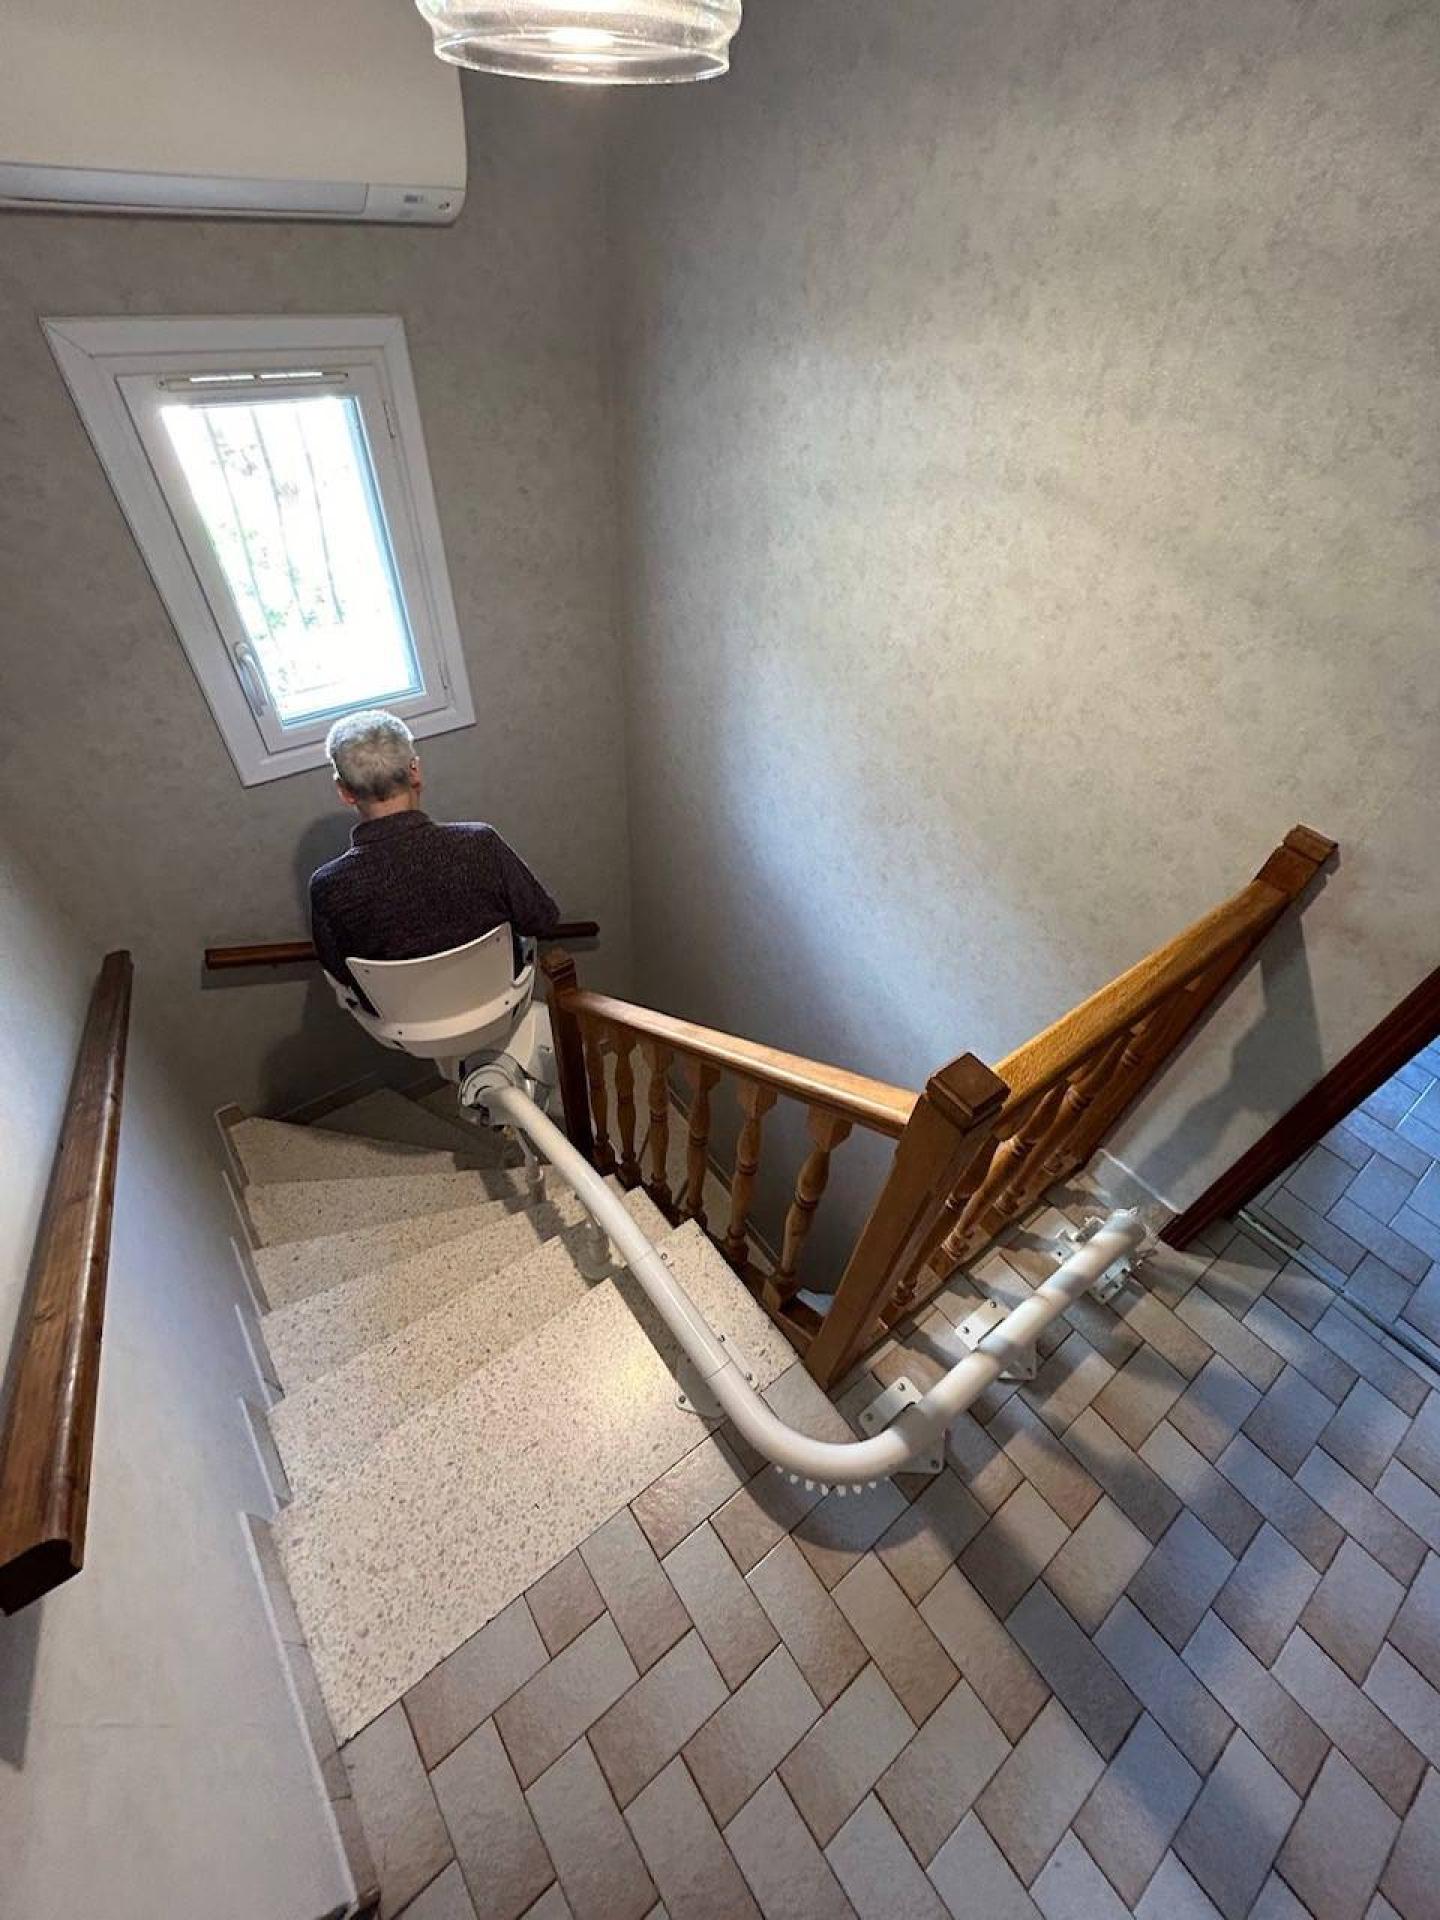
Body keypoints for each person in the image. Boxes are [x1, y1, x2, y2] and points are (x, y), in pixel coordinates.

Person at [309, 709, 559, 1007]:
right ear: (414, 771)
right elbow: (543, 919)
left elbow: (341, 972)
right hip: (499, 1007)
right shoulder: (480, 844)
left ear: (345, 792)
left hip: (404, 1023)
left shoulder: (328, 886)